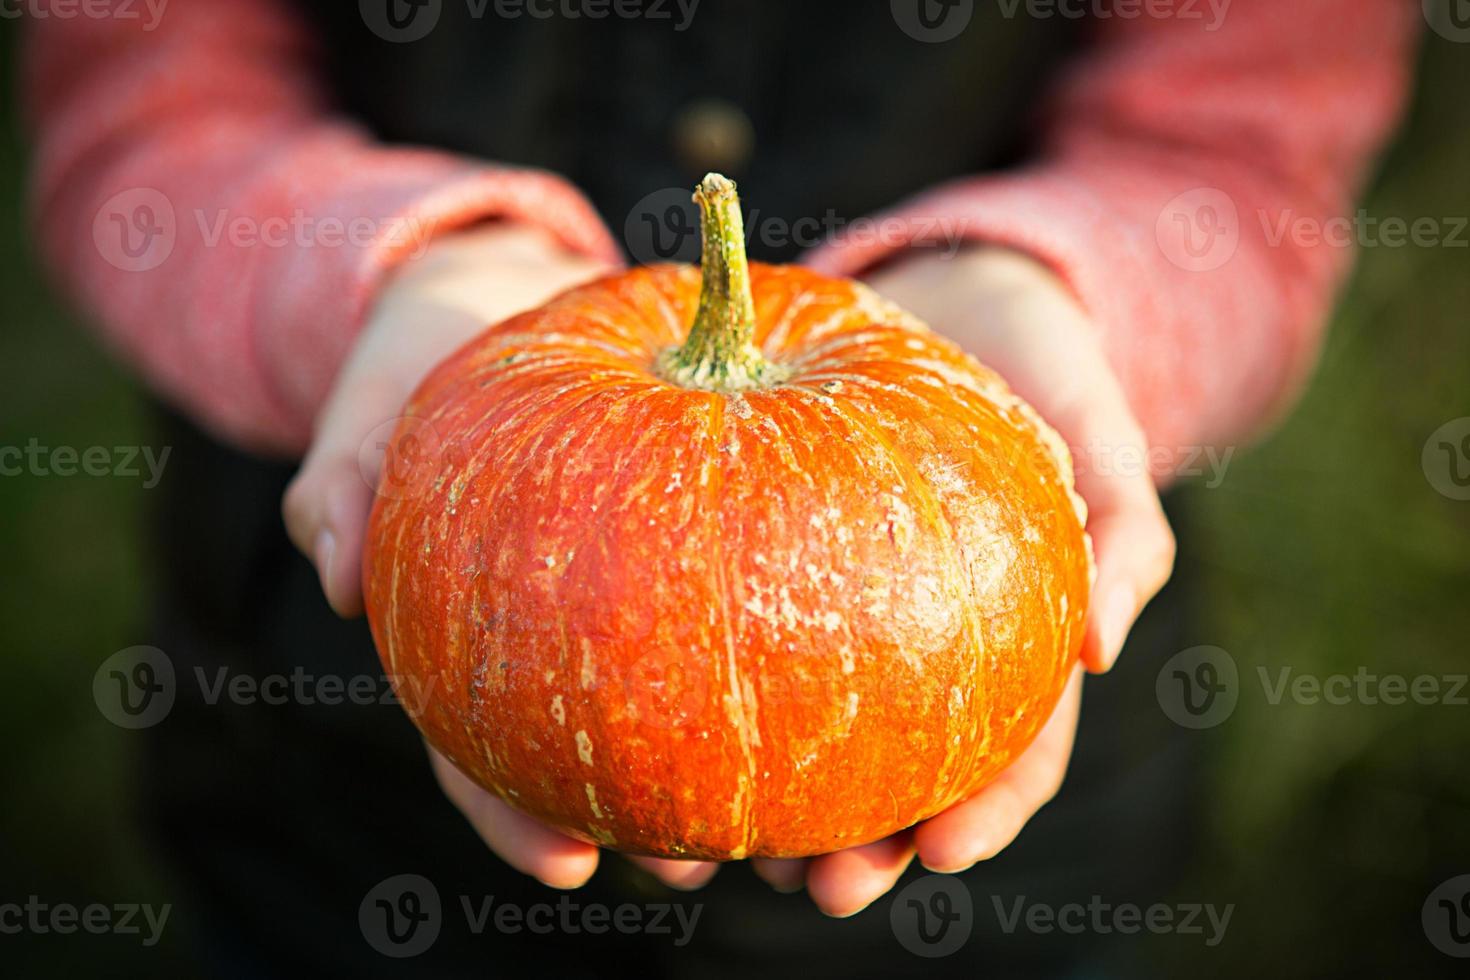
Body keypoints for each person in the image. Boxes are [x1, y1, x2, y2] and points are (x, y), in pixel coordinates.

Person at [24, 0, 1417, 975]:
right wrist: (391, 276)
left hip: (1001, 893)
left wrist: (1055, 286)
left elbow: (1234, 160)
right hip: (330, 796)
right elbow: (140, 107)